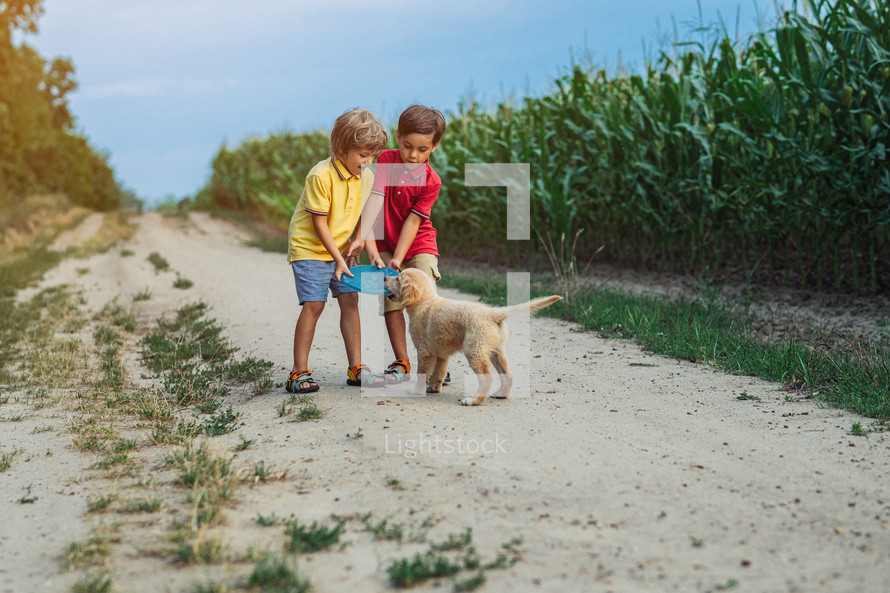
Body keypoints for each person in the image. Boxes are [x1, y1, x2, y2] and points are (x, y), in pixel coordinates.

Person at [285, 107, 388, 394]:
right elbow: (319, 224)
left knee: (350, 301)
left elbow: (365, 222)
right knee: (314, 304)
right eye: (363, 155)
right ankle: (298, 371)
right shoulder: (320, 176)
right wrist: (337, 258)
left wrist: (374, 254)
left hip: (341, 250)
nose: (368, 162)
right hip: (310, 248)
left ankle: (356, 368)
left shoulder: (365, 177)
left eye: (373, 156)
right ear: (342, 148)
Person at [362, 104, 447, 385]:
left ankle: (433, 358)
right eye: (407, 145)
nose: (413, 155)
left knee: (426, 301)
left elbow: (413, 222)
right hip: (384, 239)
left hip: (419, 242)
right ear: (398, 136)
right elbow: (374, 200)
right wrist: (369, 242)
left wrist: (398, 260)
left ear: (435, 146)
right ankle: (402, 361)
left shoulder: (431, 181)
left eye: (422, 149)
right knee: (392, 300)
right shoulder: (386, 160)